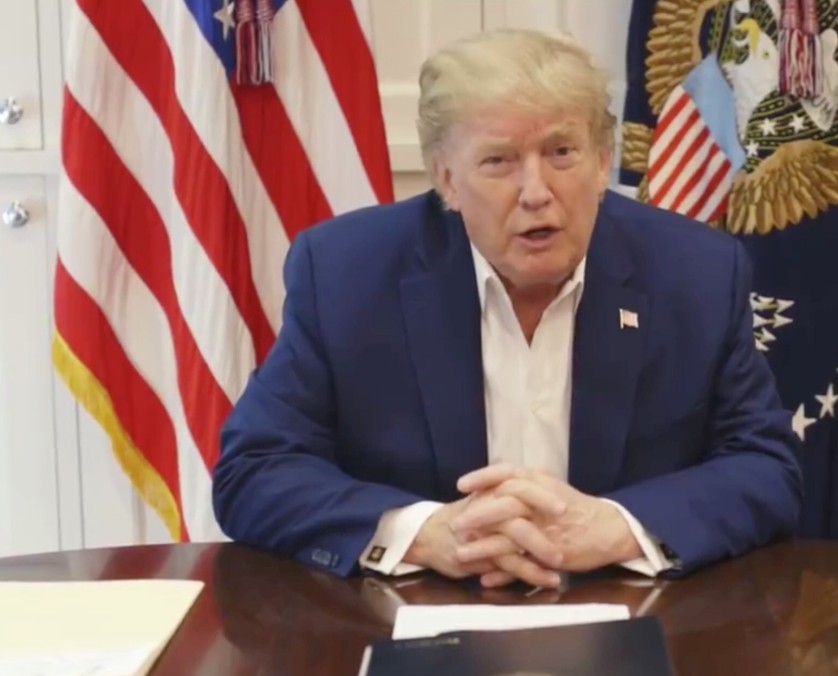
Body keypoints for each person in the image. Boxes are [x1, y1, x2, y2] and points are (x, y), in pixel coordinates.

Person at [212, 28, 802, 589]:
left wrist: (619, 528)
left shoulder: (694, 271)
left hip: (633, 613)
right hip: (416, 620)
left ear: (602, 163)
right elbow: (255, 469)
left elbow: (765, 467)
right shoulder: (347, 272)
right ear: (446, 177)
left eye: (562, 152)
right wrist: (424, 534)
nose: (536, 191)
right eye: (498, 161)